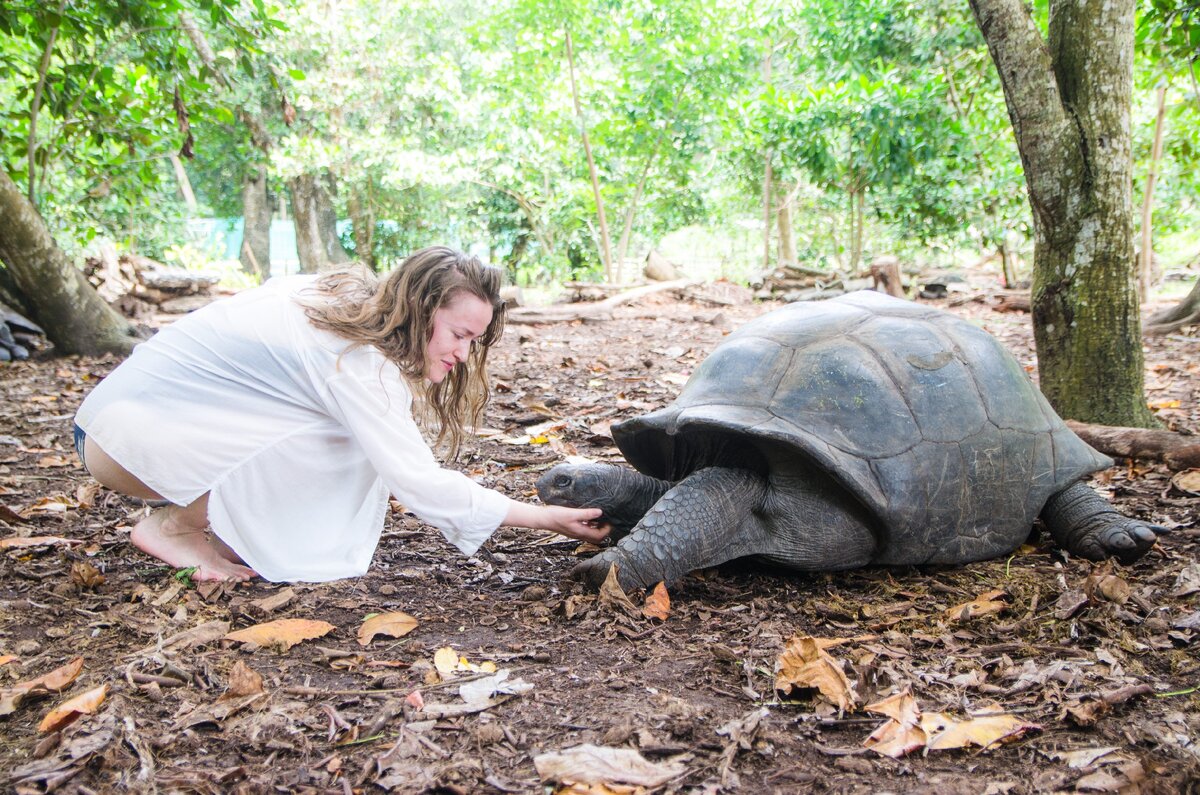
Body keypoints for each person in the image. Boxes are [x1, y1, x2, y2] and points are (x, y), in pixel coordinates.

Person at [73, 246, 607, 582]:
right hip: (126, 444)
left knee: (331, 426)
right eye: (460, 335)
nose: (464, 354)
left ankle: (213, 527)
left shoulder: (342, 302)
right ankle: (176, 527)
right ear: (420, 311)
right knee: (342, 435)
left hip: (114, 427)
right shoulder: (355, 361)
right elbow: (417, 482)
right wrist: (543, 518)